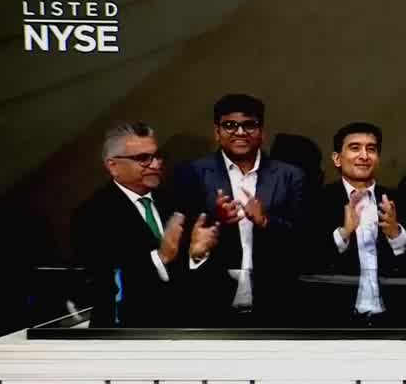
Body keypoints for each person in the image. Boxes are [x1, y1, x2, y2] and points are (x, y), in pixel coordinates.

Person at [174, 94, 304, 324]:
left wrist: (265, 222)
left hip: (274, 300)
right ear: (217, 132)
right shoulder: (192, 173)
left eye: (249, 125)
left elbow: (304, 239)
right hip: (210, 300)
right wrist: (218, 220)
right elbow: (178, 240)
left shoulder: (290, 176)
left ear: (262, 132)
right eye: (230, 125)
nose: (240, 132)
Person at [72, 121, 216, 327]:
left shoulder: (175, 202)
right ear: (113, 166)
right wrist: (160, 258)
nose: (156, 165)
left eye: (157, 156)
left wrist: (196, 255)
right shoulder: (92, 214)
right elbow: (103, 286)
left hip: (180, 329)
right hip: (125, 332)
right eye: (143, 158)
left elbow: (190, 281)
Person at [309, 122, 406, 326]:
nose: (364, 156)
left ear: (378, 158)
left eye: (371, 149)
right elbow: (308, 260)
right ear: (337, 158)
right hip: (336, 317)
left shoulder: (400, 200)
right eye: (355, 148)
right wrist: (344, 233)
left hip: (392, 318)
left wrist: (395, 234)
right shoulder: (317, 200)